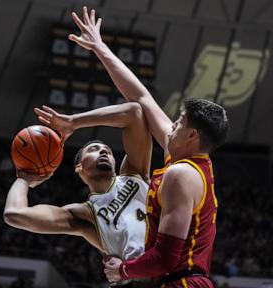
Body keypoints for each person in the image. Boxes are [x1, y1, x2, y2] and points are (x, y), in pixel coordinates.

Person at [68, 7, 229, 288]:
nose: (172, 126)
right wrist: (100, 47)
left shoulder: (181, 175)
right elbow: (141, 96)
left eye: (179, 122)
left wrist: (123, 271)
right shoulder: (188, 160)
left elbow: (166, 257)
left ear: (191, 135)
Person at [4, 102, 152, 263]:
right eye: (93, 149)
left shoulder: (134, 173)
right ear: (79, 167)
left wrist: (73, 122)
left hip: (177, 266)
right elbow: (14, 214)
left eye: (108, 151)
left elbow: (134, 113)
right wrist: (24, 179)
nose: (103, 151)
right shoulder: (83, 216)